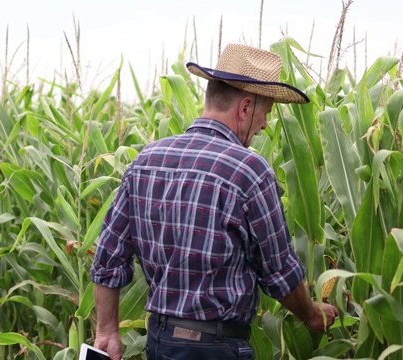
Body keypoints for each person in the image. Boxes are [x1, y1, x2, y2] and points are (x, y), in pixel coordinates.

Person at [90, 43, 338, 360]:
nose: (264, 124)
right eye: (265, 114)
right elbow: (279, 273)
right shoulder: (249, 170)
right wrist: (312, 315)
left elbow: (108, 258)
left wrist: (107, 330)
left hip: (160, 343)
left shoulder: (145, 162)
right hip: (217, 348)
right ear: (245, 108)